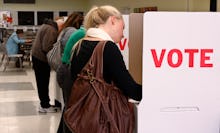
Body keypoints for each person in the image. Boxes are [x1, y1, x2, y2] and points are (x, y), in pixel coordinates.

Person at [67, 5, 142, 131]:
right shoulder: (108, 48)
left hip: (82, 118)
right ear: (113, 20)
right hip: (102, 120)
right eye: (122, 28)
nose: (123, 35)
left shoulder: (79, 45)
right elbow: (131, 89)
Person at [56, 12, 85, 133]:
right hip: (67, 69)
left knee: (68, 107)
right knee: (70, 109)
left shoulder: (65, 30)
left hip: (63, 68)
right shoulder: (75, 32)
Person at [31, 18, 63, 113]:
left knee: (42, 82)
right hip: (41, 59)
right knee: (43, 83)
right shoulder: (51, 30)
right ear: (59, 26)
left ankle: (45, 103)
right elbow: (47, 47)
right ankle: (44, 105)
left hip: (37, 57)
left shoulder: (46, 26)